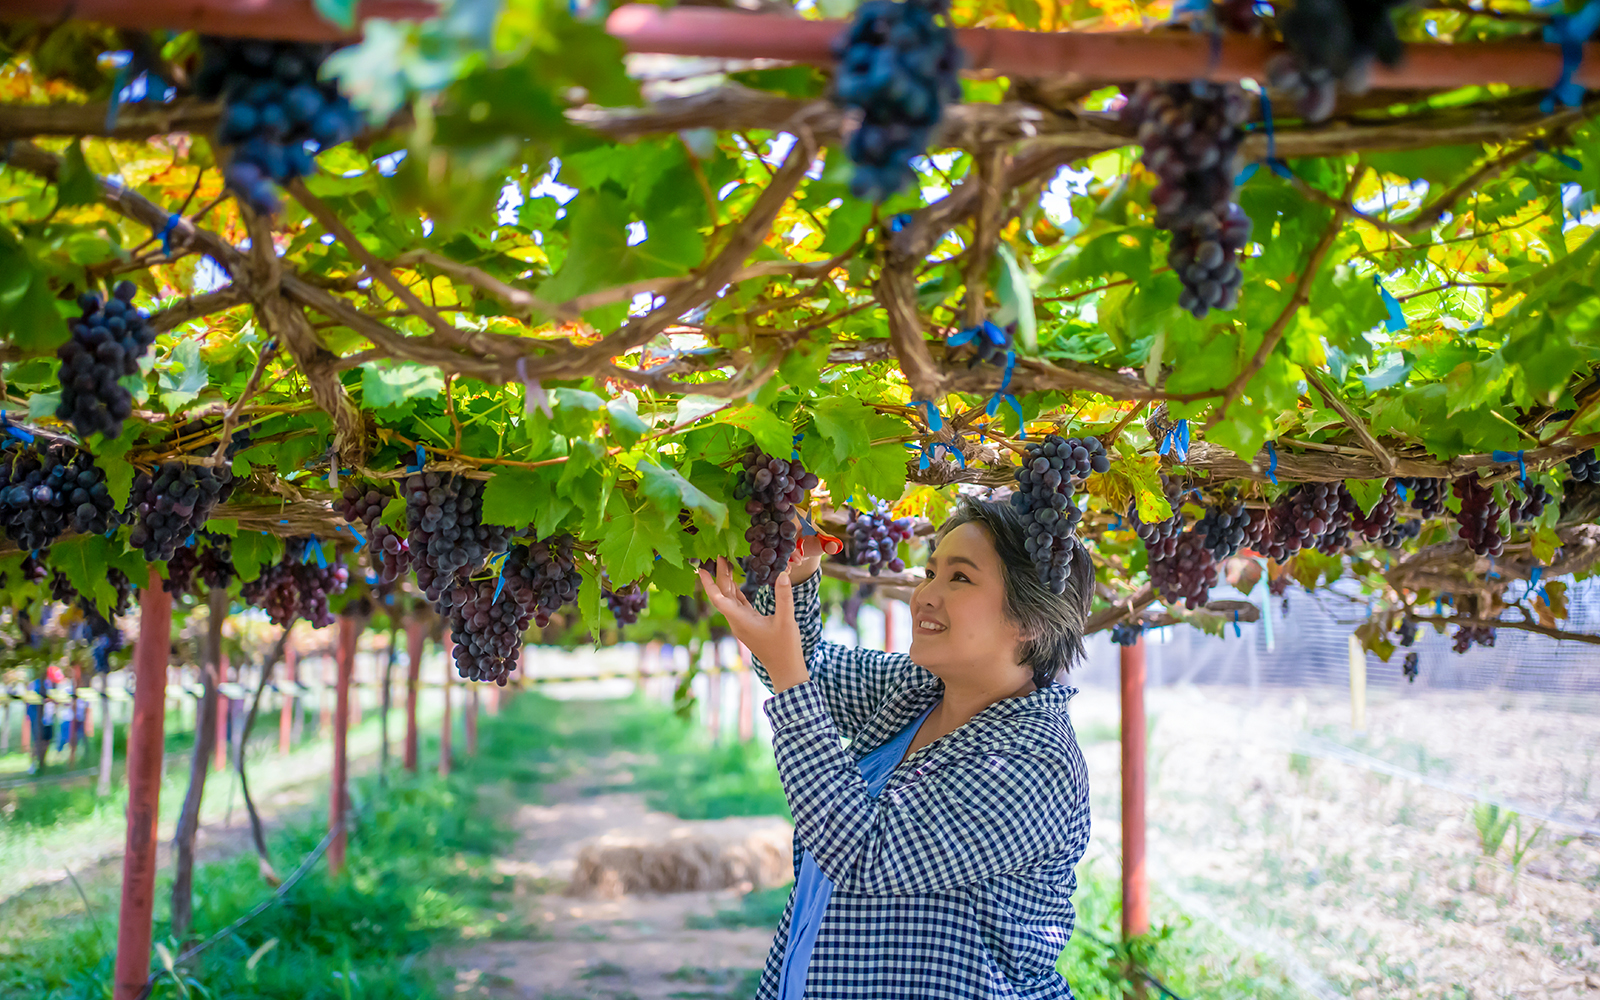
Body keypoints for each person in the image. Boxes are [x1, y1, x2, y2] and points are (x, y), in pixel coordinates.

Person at [698, 494, 1095, 1000]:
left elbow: (865, 853)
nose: (925, 595)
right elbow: (804, 671)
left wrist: (787, 671)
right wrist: (799, 568)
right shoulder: (918, 691)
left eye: (960, 578)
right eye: (930, 573)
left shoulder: (1035, 762)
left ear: (1030, 621)